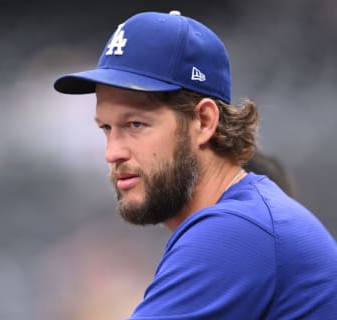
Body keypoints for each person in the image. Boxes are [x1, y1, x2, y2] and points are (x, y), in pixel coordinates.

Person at [53, 10, 337, 319]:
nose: (112, 152)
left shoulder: (233, 230)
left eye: (135, 124)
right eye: (106, 128)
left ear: (203, 121)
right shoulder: (246, 216)